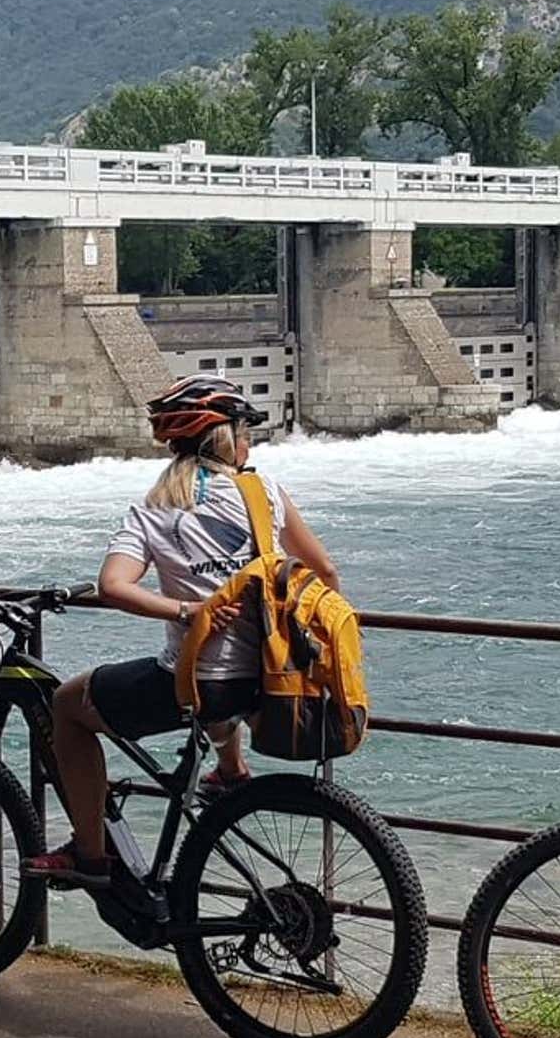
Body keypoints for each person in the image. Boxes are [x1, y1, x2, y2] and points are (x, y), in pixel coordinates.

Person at [24, 375, 338, 885]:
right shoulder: (266, 495)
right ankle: (231, 770)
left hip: (196, 685)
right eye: (244, 432)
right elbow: (325, 573)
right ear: (224, 438)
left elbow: (112, 586)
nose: (249, 442)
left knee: (67, 705)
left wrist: (185, 610)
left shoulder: (155, 509)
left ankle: (89, 854)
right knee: (216, 679)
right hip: (265, 677)